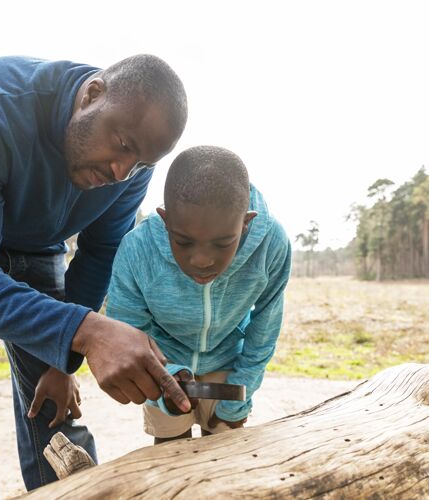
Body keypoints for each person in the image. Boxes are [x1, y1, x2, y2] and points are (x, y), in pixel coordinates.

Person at [0, 54, 192, 499]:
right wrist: (85, 332)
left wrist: (60, 360)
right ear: (91, 95)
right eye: (122, 145)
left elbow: (100, 252)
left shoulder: (132, 165)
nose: (121, 173)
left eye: (140, 163)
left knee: (55, 410)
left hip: (38, 242)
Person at [106, 145, 292, 444]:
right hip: (163, 362)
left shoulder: (272, 244)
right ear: (165, 220)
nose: (201, 260)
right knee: (171, 458)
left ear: (247, 222)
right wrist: (163, 375)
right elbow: (127, 328)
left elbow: (265, 325)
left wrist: (240, 392)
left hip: (228, 363)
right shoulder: (138, 250)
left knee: (224, 457)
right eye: (183, 242)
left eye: (222, 243)